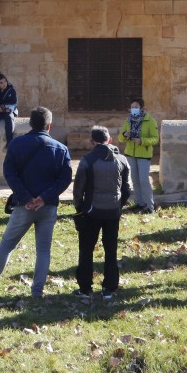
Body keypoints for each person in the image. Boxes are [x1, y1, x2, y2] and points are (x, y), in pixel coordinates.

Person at [0, 107, 73, 300]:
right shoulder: (61, 149)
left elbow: (10, 173)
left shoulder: (18, 144)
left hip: (23, 206)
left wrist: (26, 197)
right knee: (43, 250)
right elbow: (65, 179)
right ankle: (37, 291)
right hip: (48, 206)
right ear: (49, 125)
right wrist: (43, 198)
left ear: (30, 124)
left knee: (7, 244)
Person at [72, 126, 131, 302]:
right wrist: (119, 205)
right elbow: (127, 188)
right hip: (113, 211)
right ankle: (109, 287)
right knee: (111, 249)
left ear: (92, 142)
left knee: (86, 249)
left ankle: (85, 287)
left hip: (91, 211)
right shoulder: (122, 160)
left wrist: (80, 208)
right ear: (110, 140)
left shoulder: (87, 160)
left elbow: (78, 189)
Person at [118, 97, 160, 213]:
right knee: (135, 180)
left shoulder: (150, 120)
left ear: (141, 108)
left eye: (136, 107)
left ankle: (150, 206)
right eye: (132, 107)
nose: (134, 109)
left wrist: (142, 141)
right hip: (130, 154)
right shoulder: (128, 120)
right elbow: (120, 138)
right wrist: (125, 134)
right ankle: (139, 203)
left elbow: (155, 139)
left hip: (144, 154)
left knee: (143, 180)